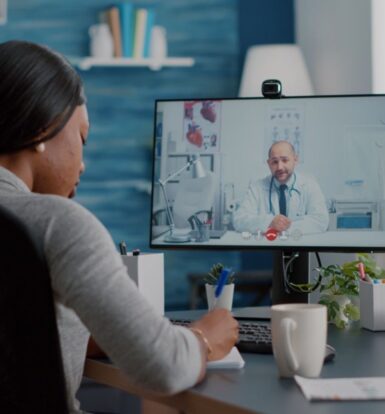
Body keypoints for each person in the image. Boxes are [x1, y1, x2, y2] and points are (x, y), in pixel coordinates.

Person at [0, 40, 239, 413]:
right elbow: (165, 367)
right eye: (82, 139)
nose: (83, 165)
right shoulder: (59, 225)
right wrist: (206, 337)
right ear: (43, 129)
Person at [233, 140, 329, 235]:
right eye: (274, 162)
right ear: (268, 163)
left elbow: (321, 220)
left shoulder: (310, 185)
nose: (279, 167)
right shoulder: (257, 187)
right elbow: (239, 220)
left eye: (285, 160)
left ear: (295, 160)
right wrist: (269, 222)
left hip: (299, 245)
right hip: (267, 246)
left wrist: (286, 227)